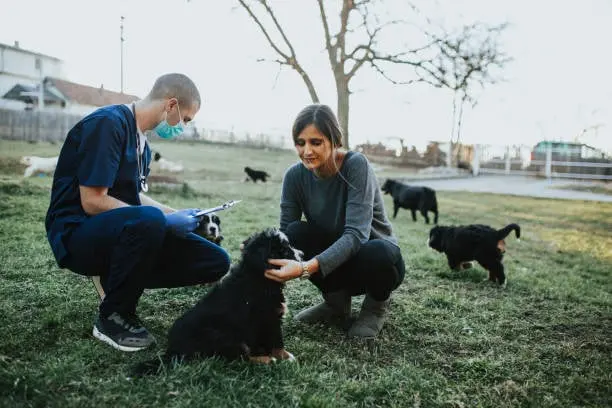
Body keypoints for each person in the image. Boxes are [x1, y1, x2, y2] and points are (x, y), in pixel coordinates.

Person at [45, 73, 230, 352]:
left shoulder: (143, 146)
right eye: (186, 119)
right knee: (152, 221)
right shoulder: (108, 124)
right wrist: (164, 222)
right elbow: (93, 201)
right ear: (171, 105)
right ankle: (113, 316)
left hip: (118, 232)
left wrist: (181, 214)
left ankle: (115, 278)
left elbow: (134, 198)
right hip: (77, 233)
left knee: (214, 259)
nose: (184, 126)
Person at [264, 104, 405, 339]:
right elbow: (284, 234)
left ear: (335, 141)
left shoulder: (356, 165)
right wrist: (260, 255)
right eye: (300, 142)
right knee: (295, 231)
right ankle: (336, 304)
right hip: (334, 264)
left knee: (378, 250)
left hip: (375, 263)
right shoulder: (294, 176)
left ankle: (375, 309)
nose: (306, 151)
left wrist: (305, 268)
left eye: (316, 142)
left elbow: (356, 235)